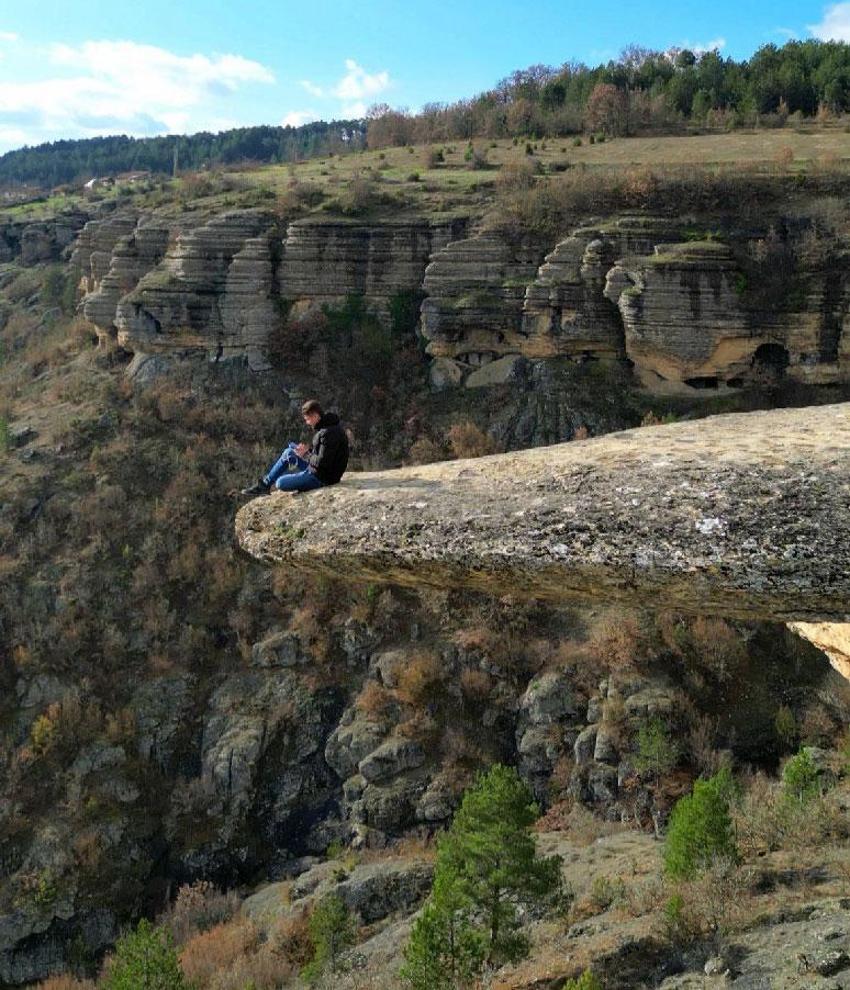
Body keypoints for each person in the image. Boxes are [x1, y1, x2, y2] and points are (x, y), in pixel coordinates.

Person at [242, 399, 349, 495]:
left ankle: (303, 479)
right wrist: (307, 451)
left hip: (323, 478)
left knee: (280, 483)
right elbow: (324, 454)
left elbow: (323, 462)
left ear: (315, 416)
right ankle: (265, 485)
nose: (307, 423)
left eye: (307, 419)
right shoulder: (327, 428)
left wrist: (306, 455)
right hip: (318, 470)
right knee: (289, 452)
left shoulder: (328, 433)